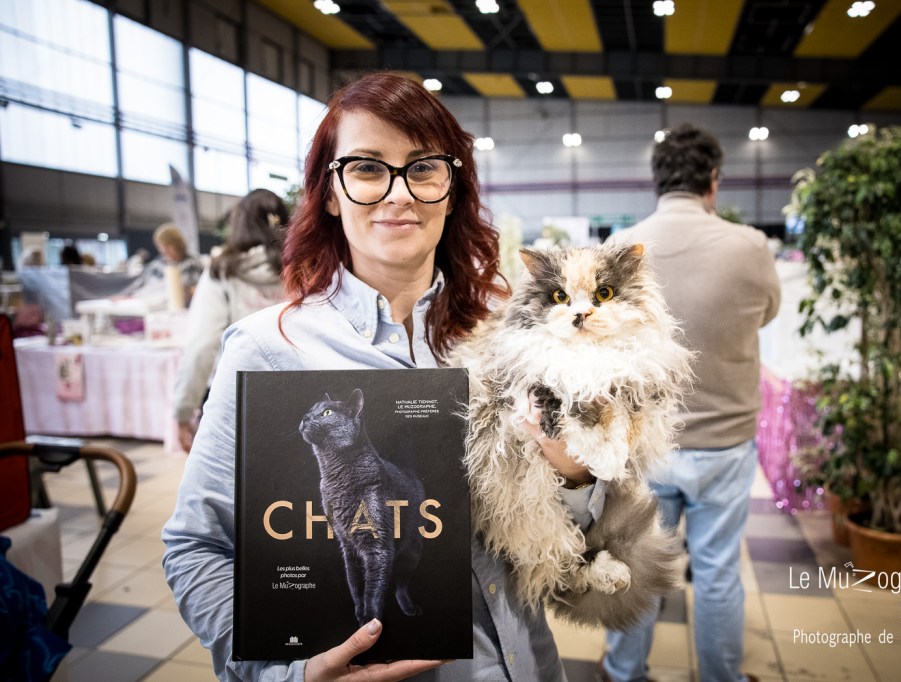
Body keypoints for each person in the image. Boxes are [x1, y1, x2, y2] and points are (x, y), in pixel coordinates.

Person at [162, 72, 590, 681]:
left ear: (451, 189)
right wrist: (285, 674)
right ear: (330, 193)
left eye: (423, 168)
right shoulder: (268, 348)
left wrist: (577, 476)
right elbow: (196, 547)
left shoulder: (512, 338)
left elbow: (575, 541)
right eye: (367, 168)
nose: (398, 193)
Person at [601, 124, 780, 682]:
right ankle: (723, 676)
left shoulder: (621, 249)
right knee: (719, 572)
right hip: (725, 443)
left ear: (657, 181)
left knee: (638, 567)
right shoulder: (750, 245)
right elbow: (766, 313)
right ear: (713, 181)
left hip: (645, 446)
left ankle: (623, 671)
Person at [172, 188, 290, 452]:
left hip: (234, 397)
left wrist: (183, 410)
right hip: (299, 394)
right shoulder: (308, 268)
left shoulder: (222, 271)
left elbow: (202, 344)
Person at [122, 223, 203, 307]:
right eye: (161, 247)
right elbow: (142, 282)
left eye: (168, 247)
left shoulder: (192, 264)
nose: (164, 251)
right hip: (148, 304)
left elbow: (189, 290)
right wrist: (129, 295)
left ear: (178, 244)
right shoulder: (158, 263)